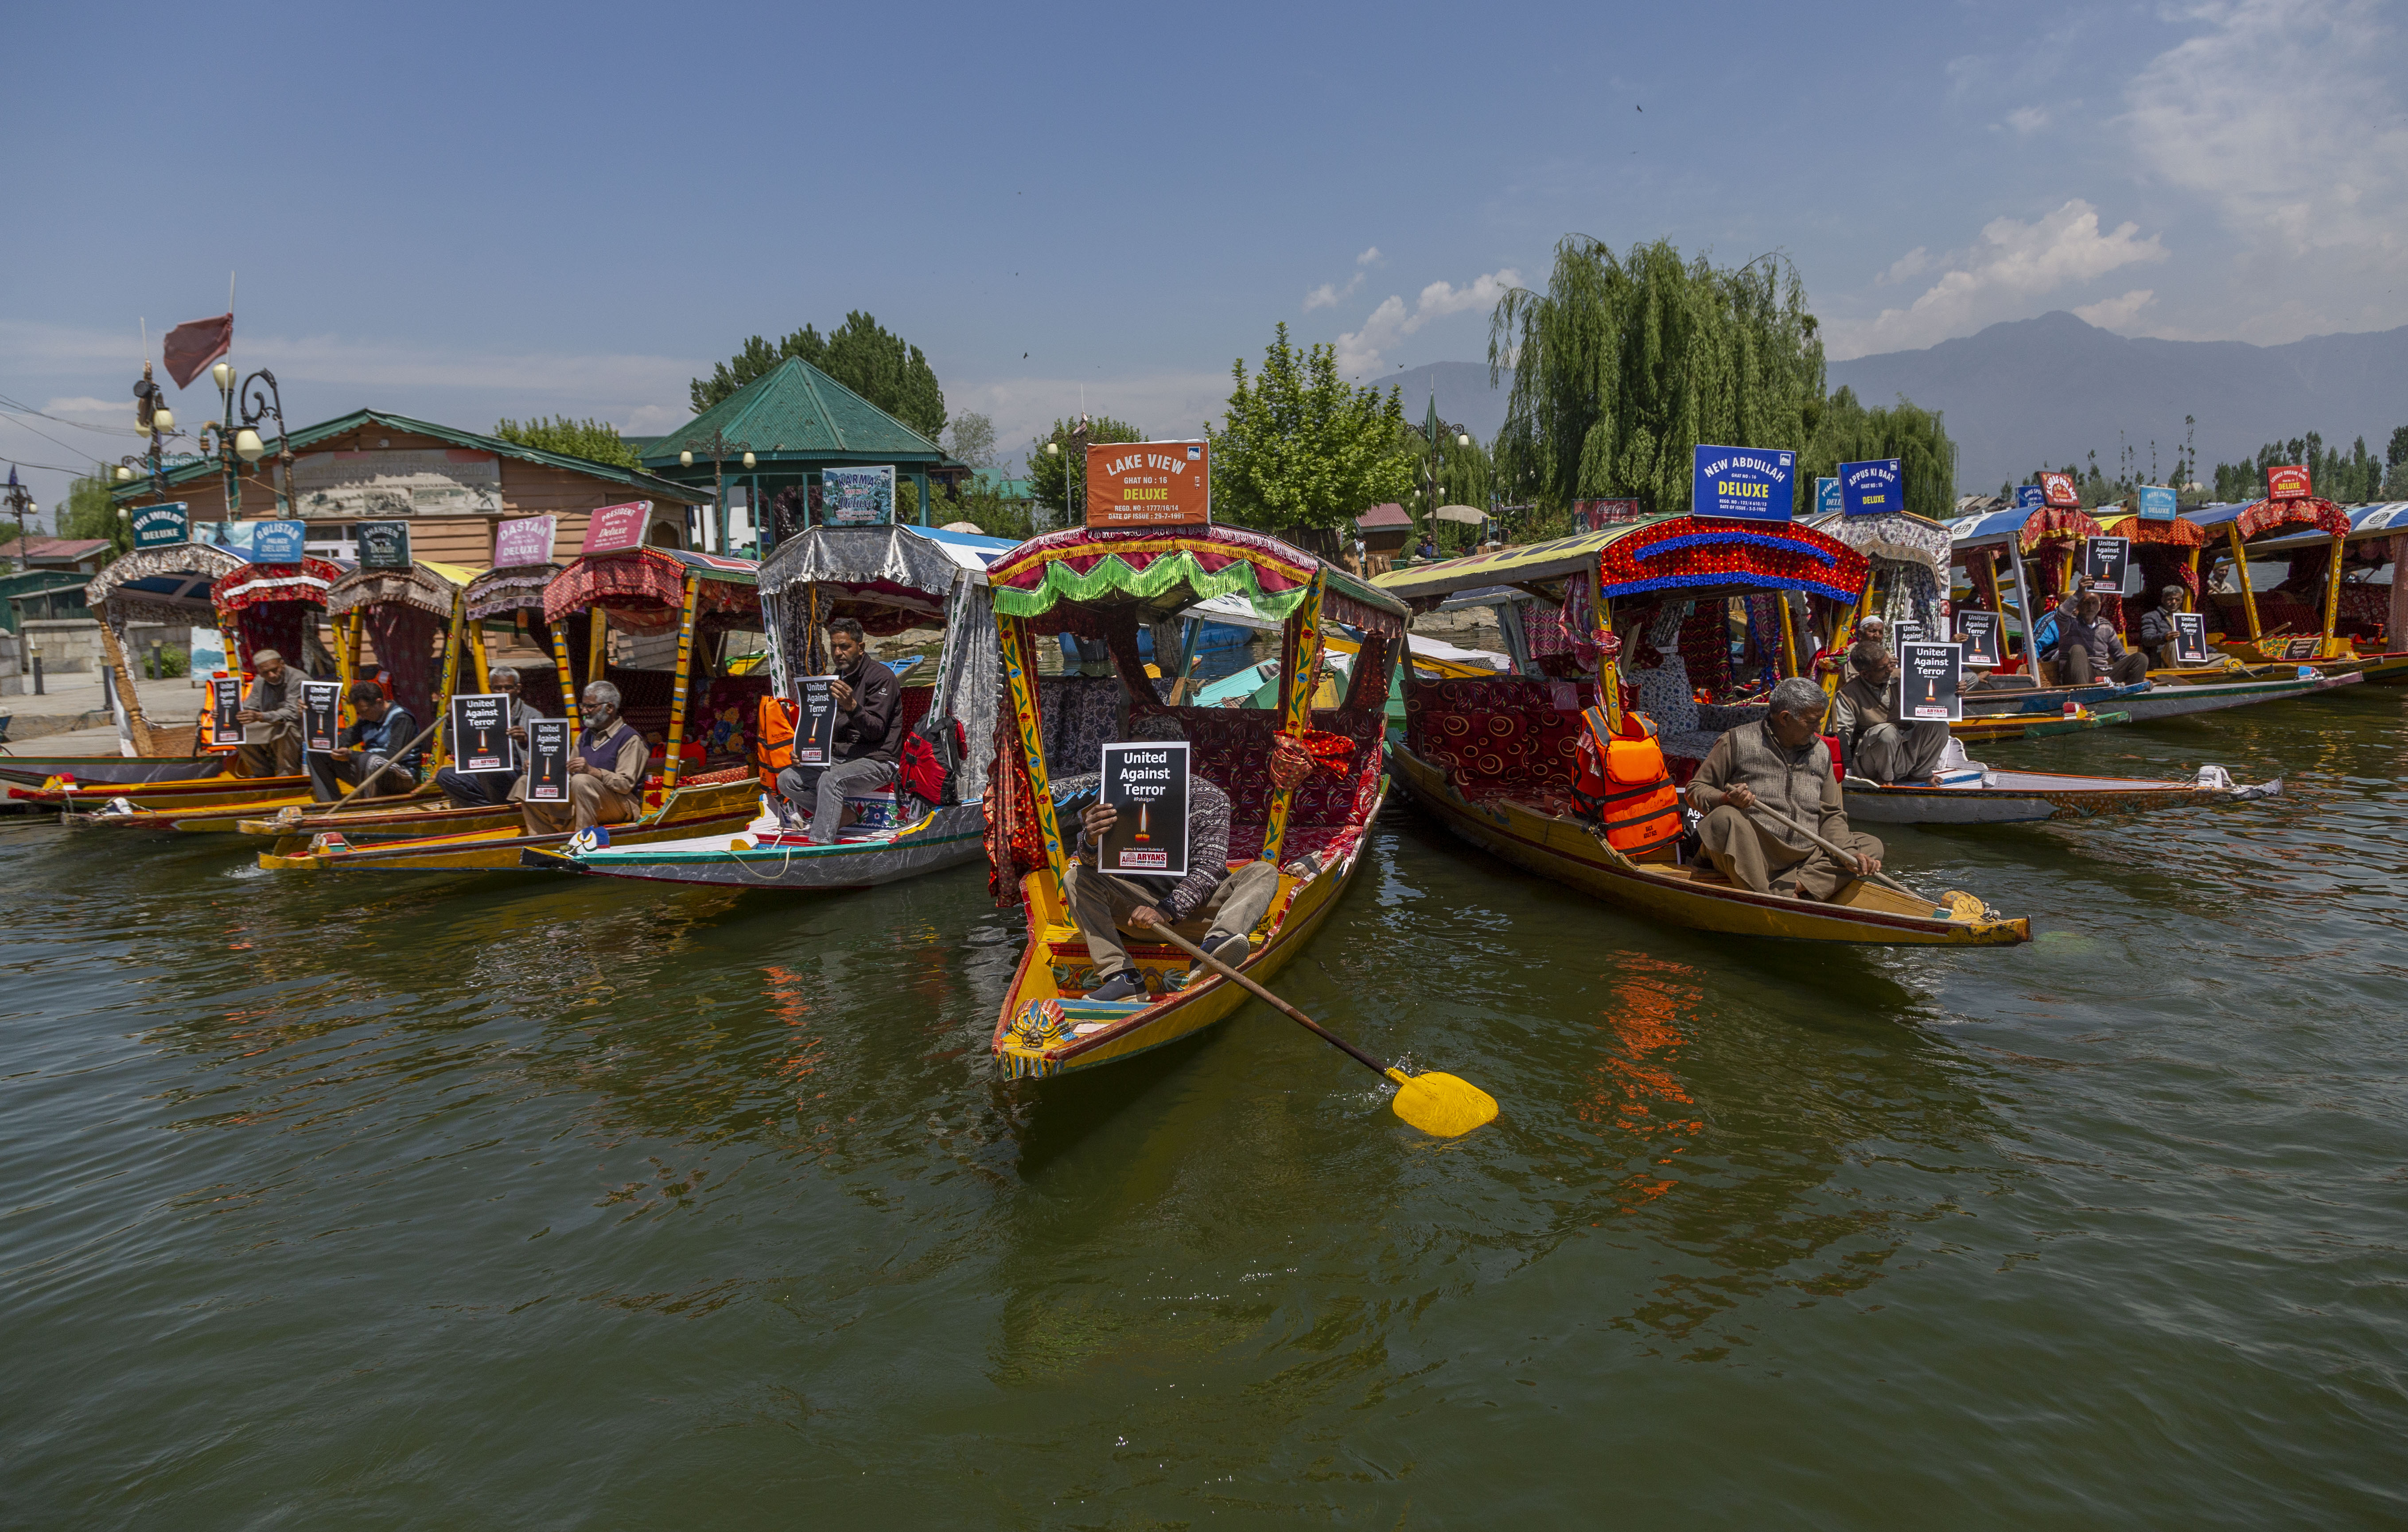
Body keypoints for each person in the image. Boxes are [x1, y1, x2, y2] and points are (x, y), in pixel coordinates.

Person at [1066, 714, 1281, 1003]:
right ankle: (1121, 977)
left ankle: (1216, 947)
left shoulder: (1208, 798)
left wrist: (1166, 910)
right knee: (1075, 876)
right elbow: (1092, 864)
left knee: (1263, 872)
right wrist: (1090, 840)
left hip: (1198, 917)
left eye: (1152, 756)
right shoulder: (1115, 796)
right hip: (1137, 916)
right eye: (1135, 755)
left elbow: (1210, 868)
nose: (1143, 764)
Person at [1687, 676, 1884, 900]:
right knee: (1724, 819)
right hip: (1751, 850)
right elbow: (1696, 789)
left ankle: (1796, 887)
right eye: (1812, 721)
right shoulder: (1736, 741)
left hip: (1804, 855)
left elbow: (1831, 816)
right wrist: (1725, 798)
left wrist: (1850, 855)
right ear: (1785, 718)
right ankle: (1767, 898)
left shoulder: (1821, 752)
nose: (1818, 728)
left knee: (1870, 846)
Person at [775, 616, 902, 844]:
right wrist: (806, 752)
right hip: (843, 757)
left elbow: (876, 732)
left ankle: (820, 843)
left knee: (831, 779)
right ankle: (842, 815)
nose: (838, 652)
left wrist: (852, 707)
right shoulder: (835, 678)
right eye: (834, 646)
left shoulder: (882, 677)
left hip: (879, 759)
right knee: (787, 778)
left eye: (845, 646)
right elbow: (823, 728)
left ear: (860, 647)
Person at [521, 680, 649, 834]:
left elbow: (625, 784)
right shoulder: (584, 737)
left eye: (590, 707)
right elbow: (567, 773)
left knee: (582, 780)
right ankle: (544, 839)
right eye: (583, 706)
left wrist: (592, 771)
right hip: (585, 800)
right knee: (526, 783)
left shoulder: (629, 739)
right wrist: (539, 769)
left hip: (621, 805)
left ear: (609, 708)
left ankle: (584, 838)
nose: (584, 712)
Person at [1831, 641, 1952, 784]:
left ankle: (1921, 774)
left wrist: (1954, 691)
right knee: (1887, 732)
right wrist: (1841, 774)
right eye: (1883, 668)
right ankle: (1885, 780)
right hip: (1873, 761)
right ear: (1865, 674)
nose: (1889, 670)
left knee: (1940, 727)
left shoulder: (1902, 676)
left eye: (1889, 664)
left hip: (1903, 751)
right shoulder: (1848, 695)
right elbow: (1841, 735)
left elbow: (1938, 688)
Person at [433, 665, 541, 809]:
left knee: (491, 769)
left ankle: (501, 805)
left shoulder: (532, 715)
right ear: (491, 688)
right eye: (498, 688)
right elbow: (451, 746)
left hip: (515, 774)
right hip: (482, 773)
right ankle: (489, 807)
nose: (504, 692)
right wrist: (451, 722)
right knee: (445, 776)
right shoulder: (477, 711)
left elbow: (545, 752)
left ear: (518, 688)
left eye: (508, 687)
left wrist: (525, 740)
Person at [308, 680, 421, 802]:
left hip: (401, 776)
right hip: (369, 770)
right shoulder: (366, 719)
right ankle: (329, 803)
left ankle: (369, 804)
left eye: (364, 711)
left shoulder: (402, 718)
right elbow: (344, 739)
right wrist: (311, 716)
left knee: (367, 760)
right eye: (359, 713)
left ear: (379, 702)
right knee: (317, 753)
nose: (362, 716)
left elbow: (393, 756)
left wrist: (352, 755)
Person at [234, 648, 310, 777]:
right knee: (237, 731)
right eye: (265, 672)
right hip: (271, 724)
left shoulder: (299, 679)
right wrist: (226, 715)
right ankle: (261, 772)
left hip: (299, 727)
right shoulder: (260, 681)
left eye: (275, 670)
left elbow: (293, 713)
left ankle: (286, 772)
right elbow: (250, 707)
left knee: (288, 729)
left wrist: (261, 716)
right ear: (259, 671)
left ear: (282, 664)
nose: (272, 675)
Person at [2060, 589, 2149, 685]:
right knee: (2077, 649)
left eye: (2094, 603)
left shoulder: (2105, 625)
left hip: (2102, 671)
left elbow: (2120, 655)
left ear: (2099, 607)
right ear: (2078, 606)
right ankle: (2083, 692)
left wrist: (2141, 675)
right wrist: (2079, 590)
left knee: (2141, 658)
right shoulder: (2069, 624)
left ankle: (2129, 694)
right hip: (2079, 674)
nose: (2091, 607)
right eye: (2087, 603)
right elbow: (2062, 614)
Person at [1813, 613, 1886, 681]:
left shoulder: (1884, 654)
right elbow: (1852, 680)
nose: (1877, 636)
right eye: (1872, 631)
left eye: (1881, 633)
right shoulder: (1850, 653)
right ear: (1861, 633)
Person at [2135, 585, 2186, 668]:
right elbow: (2146, 639)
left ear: (2181, 601)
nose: (2174, 602)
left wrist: (2213, 651)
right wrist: (2164, 638)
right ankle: (2179, 671)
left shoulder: (2186, 618)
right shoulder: (2151, 617)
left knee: (2214, 657)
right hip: (2162, 659)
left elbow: (2195, 642)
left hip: (2186, 655)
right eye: (2170, 599)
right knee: (2173, 643)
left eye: (2177, 600)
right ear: (2163, 600)